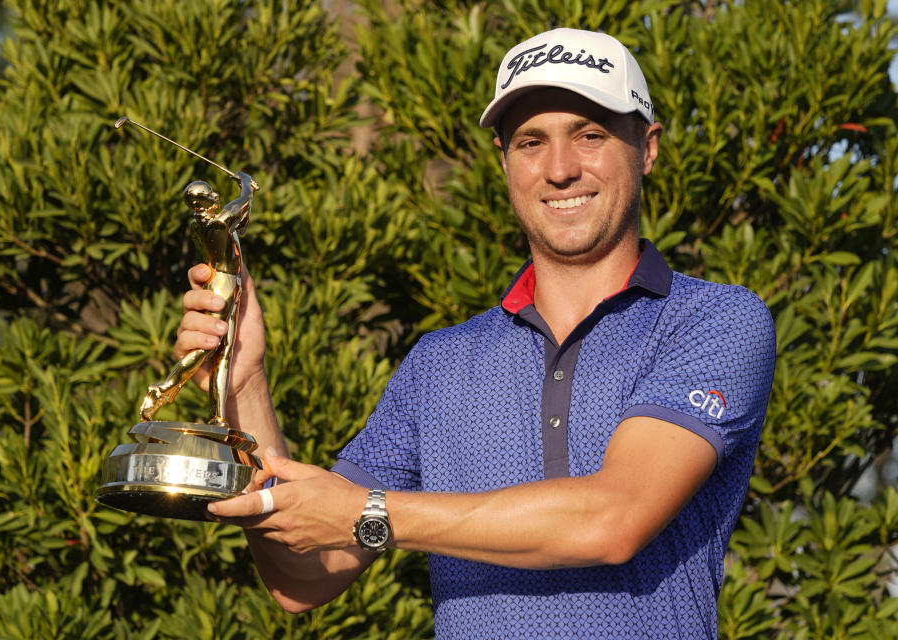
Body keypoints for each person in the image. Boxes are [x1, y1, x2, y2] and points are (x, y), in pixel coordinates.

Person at [176, 28, 775, 639]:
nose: (561, 169)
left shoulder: (713, 322)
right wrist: (244, 382)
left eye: (590, 135)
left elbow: (612, 519)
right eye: (531, 142)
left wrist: (372, 513)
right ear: (504, 160)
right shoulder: (438, 363)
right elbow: (304, 577)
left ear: (646, 148)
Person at [139, 172, 253, 425]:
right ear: (200, 204)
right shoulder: (219, 222)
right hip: (223, 282)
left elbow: (242, 218)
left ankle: (218, 415)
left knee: (224, 354)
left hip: (225, 282)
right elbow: (243, 200)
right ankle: (165, 388)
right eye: (209, 195)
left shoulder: (196, 225)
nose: (216, 196)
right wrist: (245, 182)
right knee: (208, 348)